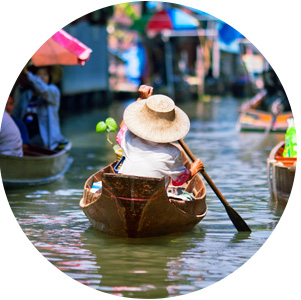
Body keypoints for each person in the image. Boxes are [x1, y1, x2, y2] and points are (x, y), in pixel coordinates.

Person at [116, 85, 204, 188]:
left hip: (124, 193)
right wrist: (193, 170)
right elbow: (180, 180)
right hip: (154, 199)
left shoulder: (129, 138)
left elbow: (123, 126)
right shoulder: (173, 153)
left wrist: (141, 99)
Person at [12, 65, 68, 150]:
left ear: (49, 77)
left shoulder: (53, 91)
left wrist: (29, 75)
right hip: (26, 136)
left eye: (45, 74)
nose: (42, 77)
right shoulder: (26, 94)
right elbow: (17, 114)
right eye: (39, 74)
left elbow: (43, 89)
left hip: (45, 139)